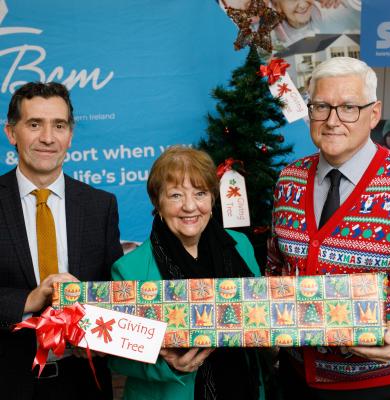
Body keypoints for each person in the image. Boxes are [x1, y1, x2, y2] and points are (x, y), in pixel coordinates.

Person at [267, 56, 390, 399]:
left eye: (348, 108)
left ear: (374, 114)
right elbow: (276, 266)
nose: (332, 120)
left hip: (379, 384)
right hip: (296, 378)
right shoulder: (289, 178)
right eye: (321, 106)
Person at [109, 146, 268, 400]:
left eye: (200, 193)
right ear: (157, 202)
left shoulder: (241, 246)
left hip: (242, 389)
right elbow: (116, 357)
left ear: (212, 198)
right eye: (175, 195)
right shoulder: (130, 268)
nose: (190, 206)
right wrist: (169, 365)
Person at [0, 82, 123, 399]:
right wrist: (30, 299)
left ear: (70, 134)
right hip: (8, 380)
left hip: (83, 382)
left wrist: (99, 339)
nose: (47, 137)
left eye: (59, 125)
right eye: (34, 124)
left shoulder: (101, 206)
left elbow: (114, 293)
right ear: (11, 133)